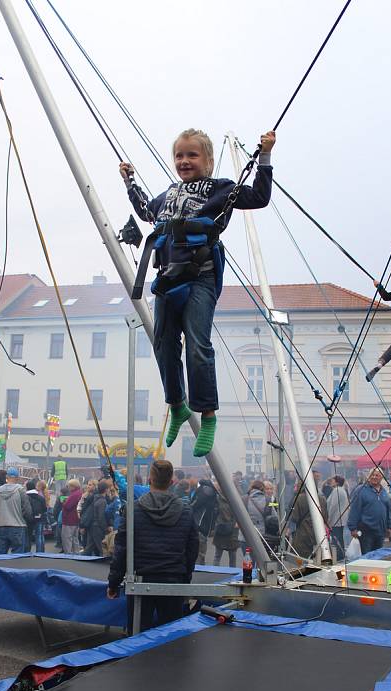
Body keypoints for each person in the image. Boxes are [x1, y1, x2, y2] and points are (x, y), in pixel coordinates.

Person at [120, 128, 275, 457]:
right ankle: (177, 406)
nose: (184, 161)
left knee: (197, 345)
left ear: (208, 160)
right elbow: (147, 211)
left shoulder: (221, 190)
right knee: (162, 344)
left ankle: (207, 415)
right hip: (168, 276)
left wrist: (265, 156)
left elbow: (259, 198)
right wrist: (129, 181)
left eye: (192, 155)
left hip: (200, 276)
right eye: (179, 155)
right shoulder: (169, 194)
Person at [107, 459, 199, 633]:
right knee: (170, 637)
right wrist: (185, 577)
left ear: (149, 479)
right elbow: (192, 549)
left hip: (141, 579)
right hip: (173, 580)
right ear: (172, 482)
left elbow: (121, 549)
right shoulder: (185, 510)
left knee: (138, 636)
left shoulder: (134, 510)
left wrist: (113, 582)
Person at [347, 468, 391, 555]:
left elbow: (388, 510)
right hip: (366, 531)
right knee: (367, 558)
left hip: (380, 531)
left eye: (377, 475)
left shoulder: (384, 492)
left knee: (378, 556)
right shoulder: (360, 490)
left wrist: (390, 527)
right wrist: (353, 528)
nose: (374, 477)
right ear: (368, 476)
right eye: (372, 475)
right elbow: (354, 509)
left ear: (382, 477)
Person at [0, 467, 33, 555]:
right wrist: (29, 521)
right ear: (17, 478)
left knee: (0, 555)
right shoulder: (20, 490)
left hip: (1, 526)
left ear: (7, 477)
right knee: (17, 556)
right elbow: (27, 510)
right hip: (18, 526)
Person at [292, 479, 328, 560]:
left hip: (303, 534)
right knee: (318, 559)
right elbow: (325, 517)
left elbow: (295, 518)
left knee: (302, 560)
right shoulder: (322, 499)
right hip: (319, 534)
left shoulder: (298, 498)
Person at [191, 476, 218, 565]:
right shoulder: (208, 491)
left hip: (201, 526)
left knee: (200, 553)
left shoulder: (209, 491)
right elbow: (194, 505)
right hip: (200, 526)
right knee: (200, 554)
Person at [212, 481, 239, 568]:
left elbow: (214, 513)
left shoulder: (217, 498)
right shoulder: (236, 500)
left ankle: (214, 573)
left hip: (220, 528)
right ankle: (233, 575)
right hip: (232, 529)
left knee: (217, 555)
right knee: (232, 557)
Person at [327, 475, 349, 559]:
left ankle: (338, 556)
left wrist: (328, 518)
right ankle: (341, 554)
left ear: (336, 482)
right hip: (341, 518)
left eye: (332, 480)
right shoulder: (342, 490)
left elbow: (333, 506)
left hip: (336, 518)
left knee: (336, 538)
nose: (331, 482)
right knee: (339, 538)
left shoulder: (336, 490)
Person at [61, 479, 82, 553]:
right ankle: (76, 553)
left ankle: (68, 554)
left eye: (69, 486)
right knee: (75, 538)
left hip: (69, 520)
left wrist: (64, 503)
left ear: (73, 486)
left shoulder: (74, 495)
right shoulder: (79, 493)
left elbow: (67, 506)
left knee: (67, 538)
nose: (68, 488)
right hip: (75, 519)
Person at [26, 479, 48, 553]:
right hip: (40, 518)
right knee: (39, 535)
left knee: (28, 536)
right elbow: (45, 509)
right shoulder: (40, 497)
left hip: (28, 519)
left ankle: (27, 551)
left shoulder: (25, 497)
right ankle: (40, 552)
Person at [77, 479, 98, 549]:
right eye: (88, 485)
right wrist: (78, 512)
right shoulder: (85, 495)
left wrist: (82, 525)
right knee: (86, 541)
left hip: (89, 522)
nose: (88, 486)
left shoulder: (94, 496)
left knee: (89, 543)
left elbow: (87, 511)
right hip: (84, 520)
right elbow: (80, 506)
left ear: (95, 486)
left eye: (90, 485)